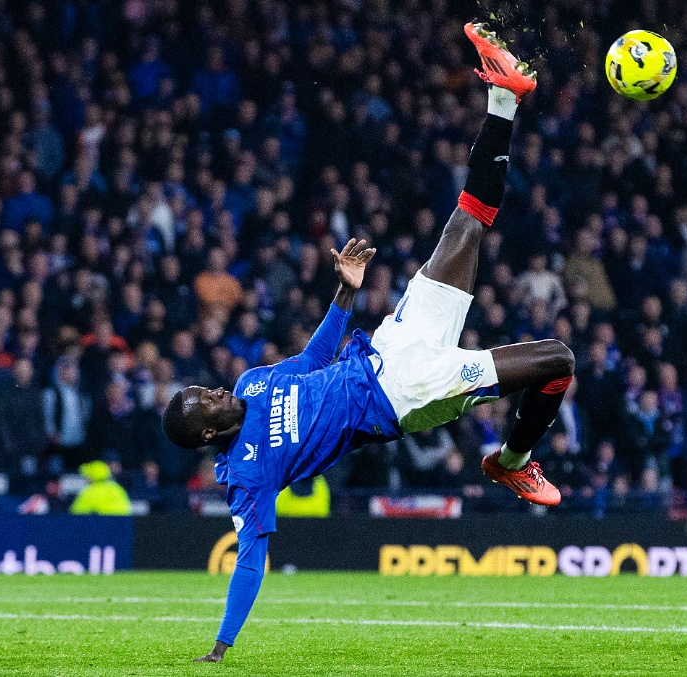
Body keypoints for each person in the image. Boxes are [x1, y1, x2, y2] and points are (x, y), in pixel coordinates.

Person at [165, 27, 571, 662]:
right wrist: (222, 647)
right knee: (558, 360)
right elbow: (249, 561)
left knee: (468, 218)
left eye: (202, 389)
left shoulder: (250, 385)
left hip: (388, 346)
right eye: (203, 404)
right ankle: (513, 460)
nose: (214, 392)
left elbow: (309, 362)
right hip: (409, 395)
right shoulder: (245, 474)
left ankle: (504, 97)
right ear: (207, 435)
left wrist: (345, 293)